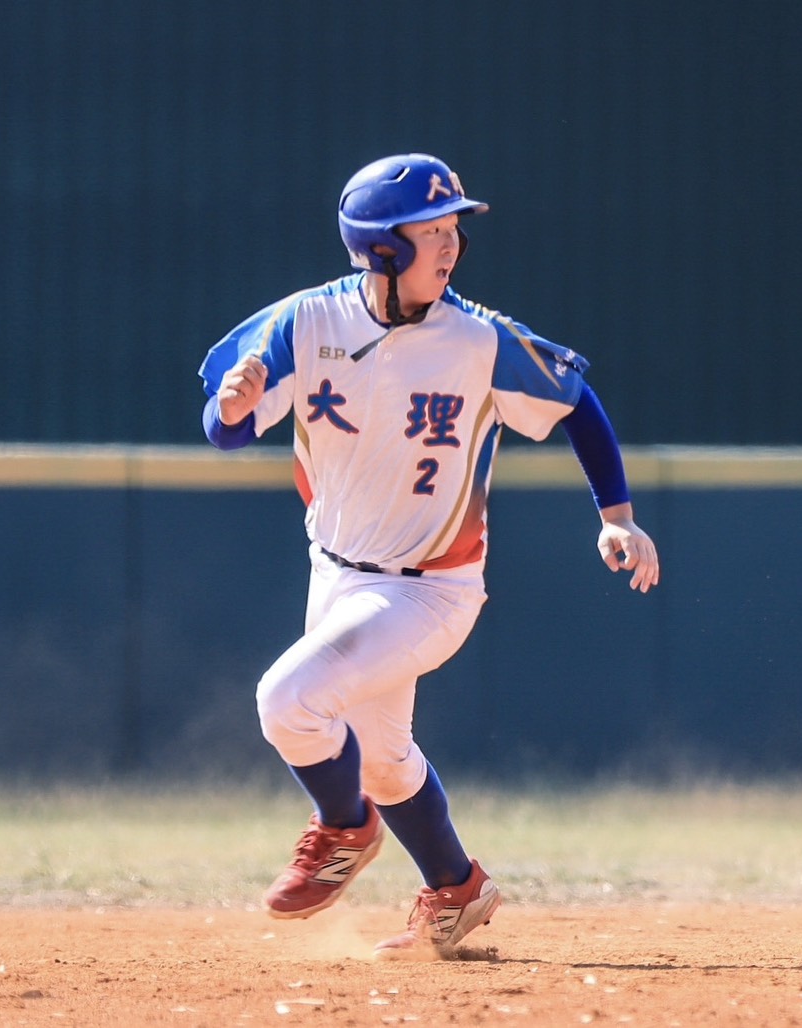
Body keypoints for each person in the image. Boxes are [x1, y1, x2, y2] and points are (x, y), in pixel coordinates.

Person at [197, 153, 660, 960]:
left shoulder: (478, 339)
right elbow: (228, 430)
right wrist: (229, 411)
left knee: (285, 702)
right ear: (379, 248)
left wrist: (615, 516)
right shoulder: (306, 323)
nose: (450, 246)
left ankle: (343, 829)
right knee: (382, 760)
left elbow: (577, 402)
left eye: (453, 230)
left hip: (430, 591)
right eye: (430, 231)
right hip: (334, 571)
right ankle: (457, 888)